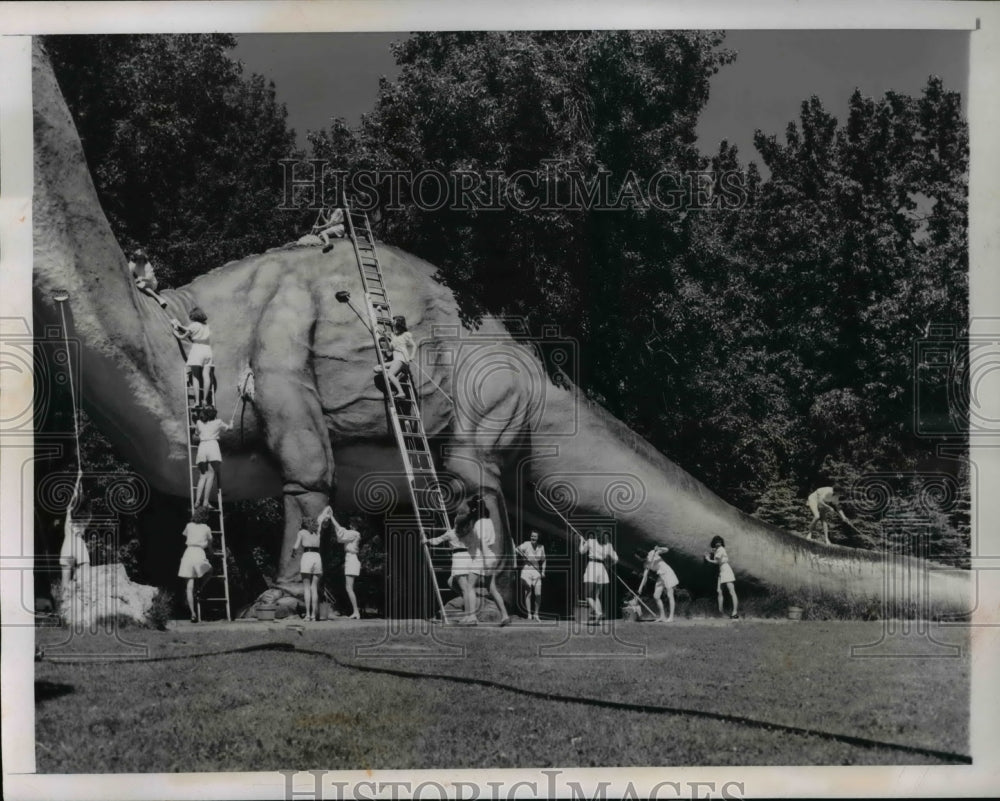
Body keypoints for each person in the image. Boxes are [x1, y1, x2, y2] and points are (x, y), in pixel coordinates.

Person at [466, 494, 511, 626]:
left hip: (483, 557)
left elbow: (483, 543)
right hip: (491, 556)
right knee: (492, 589)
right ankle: (505, 616)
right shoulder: (489, 522)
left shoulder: (479, 523)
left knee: (469, 586)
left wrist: (485, 560)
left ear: (475, 509)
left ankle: (472, 617)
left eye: (472, 508)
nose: (470, 511)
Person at [425, 525, 478, 625]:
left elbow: (436, 541)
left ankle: (469, 616)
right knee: (451, 582)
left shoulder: (452, 532)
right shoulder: (470, 532)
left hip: (459, 558)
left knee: (465, 588)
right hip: (469, 557)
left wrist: (426, 540)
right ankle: (470, 613)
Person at [319, 508, 363, 619]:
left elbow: (341, 531)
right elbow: (341, 532)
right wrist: (332, 517)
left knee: (349, 587)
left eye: (352, 523)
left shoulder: (355, 534)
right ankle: (355, 611)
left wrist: (332, 517)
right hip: (350, 559)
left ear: (355, 525)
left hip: (352, 559)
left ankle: (356, 612)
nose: (350, 525)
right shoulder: (353, 534)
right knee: (349, 587)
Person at [171, 307, 215, 406]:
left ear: (194, 316)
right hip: (207, 350)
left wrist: (176, 333)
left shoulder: (193, 325)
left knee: (196, 377)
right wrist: (181, 326)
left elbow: (183, 336)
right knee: (206, 376)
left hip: (197, 350)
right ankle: (204, 400)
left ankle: (197, 401)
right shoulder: (206, 325)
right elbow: (190, 329)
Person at [178, 507, 213, 623]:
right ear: (206, 517)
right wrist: (212, 552)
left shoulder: (189, 526)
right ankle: (200, 587)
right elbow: (209, 544)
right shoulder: (206, 528)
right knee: (210, 571)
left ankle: (193, 613)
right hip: (199, 553)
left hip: (188, 553)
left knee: (189, 587)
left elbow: (185, 536)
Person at [59, 490, 91, 609]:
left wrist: (78, 479)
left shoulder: (69, 514)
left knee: (64, 582)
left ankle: (63, 609)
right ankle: (84, 606)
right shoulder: (87, 518)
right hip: (78, 546)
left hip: (66, 547)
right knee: (83, 578)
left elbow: (73, 498)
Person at [193, 406, 230, 508]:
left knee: (202, 477)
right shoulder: (218, 422)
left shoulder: (199, 423)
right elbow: (229, 429)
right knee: (210, 477)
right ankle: (205, 502)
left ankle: (197, 501)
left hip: (202, 447)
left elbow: (196, 435)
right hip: (212, 447)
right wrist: (231, 424)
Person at [577, 528, 617, 622]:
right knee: (596, 596)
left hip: (592, 568)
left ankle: (598, 612)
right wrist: (609, 564)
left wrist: (581, 541)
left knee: (587, 595)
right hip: (602, 569)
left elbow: (581, 551)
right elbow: (616, 559)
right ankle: (598, 619)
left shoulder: (590, 541)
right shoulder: (608, 545)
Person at [374, 316, 418, 399]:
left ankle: (401, 393)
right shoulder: (393, 335)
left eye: (395, 320)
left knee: (390, 374)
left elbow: (414, 345)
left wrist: (412, 355)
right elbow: (390, 349)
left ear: (398, 323)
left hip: (402, 359)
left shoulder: (406, 334)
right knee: (376, 368)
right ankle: (398, 374)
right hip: (395, 360)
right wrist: (385, 336)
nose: (392, 321)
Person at [291, 515, 323, 621]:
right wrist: (328, 511)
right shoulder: (318, 532)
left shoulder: (301, 533)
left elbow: (295, 546)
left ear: (304, 524)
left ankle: (308, 615)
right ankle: (314, 615)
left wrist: (293, 552)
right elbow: (321, 518)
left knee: (306, 587)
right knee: (314, 588)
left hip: (307, 557)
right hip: (317, 557)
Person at [637, 545, 679, 622]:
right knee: (656, 596)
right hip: (660, 576)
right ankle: (662, 617)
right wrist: (640, 587)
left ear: (640, 556)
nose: (637, 558)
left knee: (670, 595)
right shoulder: (645, 564)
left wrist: (659, 548)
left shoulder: (653, 553)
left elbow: (667, 549)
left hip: (668, 573)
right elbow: (645, 576)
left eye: (637, 557)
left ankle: (671, 617)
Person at [705, 535, 738, 619]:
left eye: (719, 542)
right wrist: (713, 551)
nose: (718, 543)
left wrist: (708, 559)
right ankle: (721, 612)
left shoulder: (721, 549)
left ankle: (735, 613)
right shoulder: (719, 549)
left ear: (721, 543)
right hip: (722, 571)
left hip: (726, 570)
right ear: (714, 543)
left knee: (731, 591)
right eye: (716, 542)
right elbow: (716, 552)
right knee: (719, 591)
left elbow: (716, 562)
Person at [516, 530, 546, 621]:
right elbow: (516, 549)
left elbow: (544, 560)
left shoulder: (541, 547)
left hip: (537, 572)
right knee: (528, 593)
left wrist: (543, 571)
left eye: (535, 536)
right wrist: (522, 555)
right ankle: (529, 614)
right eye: (532, 536)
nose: (533, 538)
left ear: (538, 538)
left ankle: (536, 614)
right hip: (527, 571)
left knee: (538, 594)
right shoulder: (526, 544)